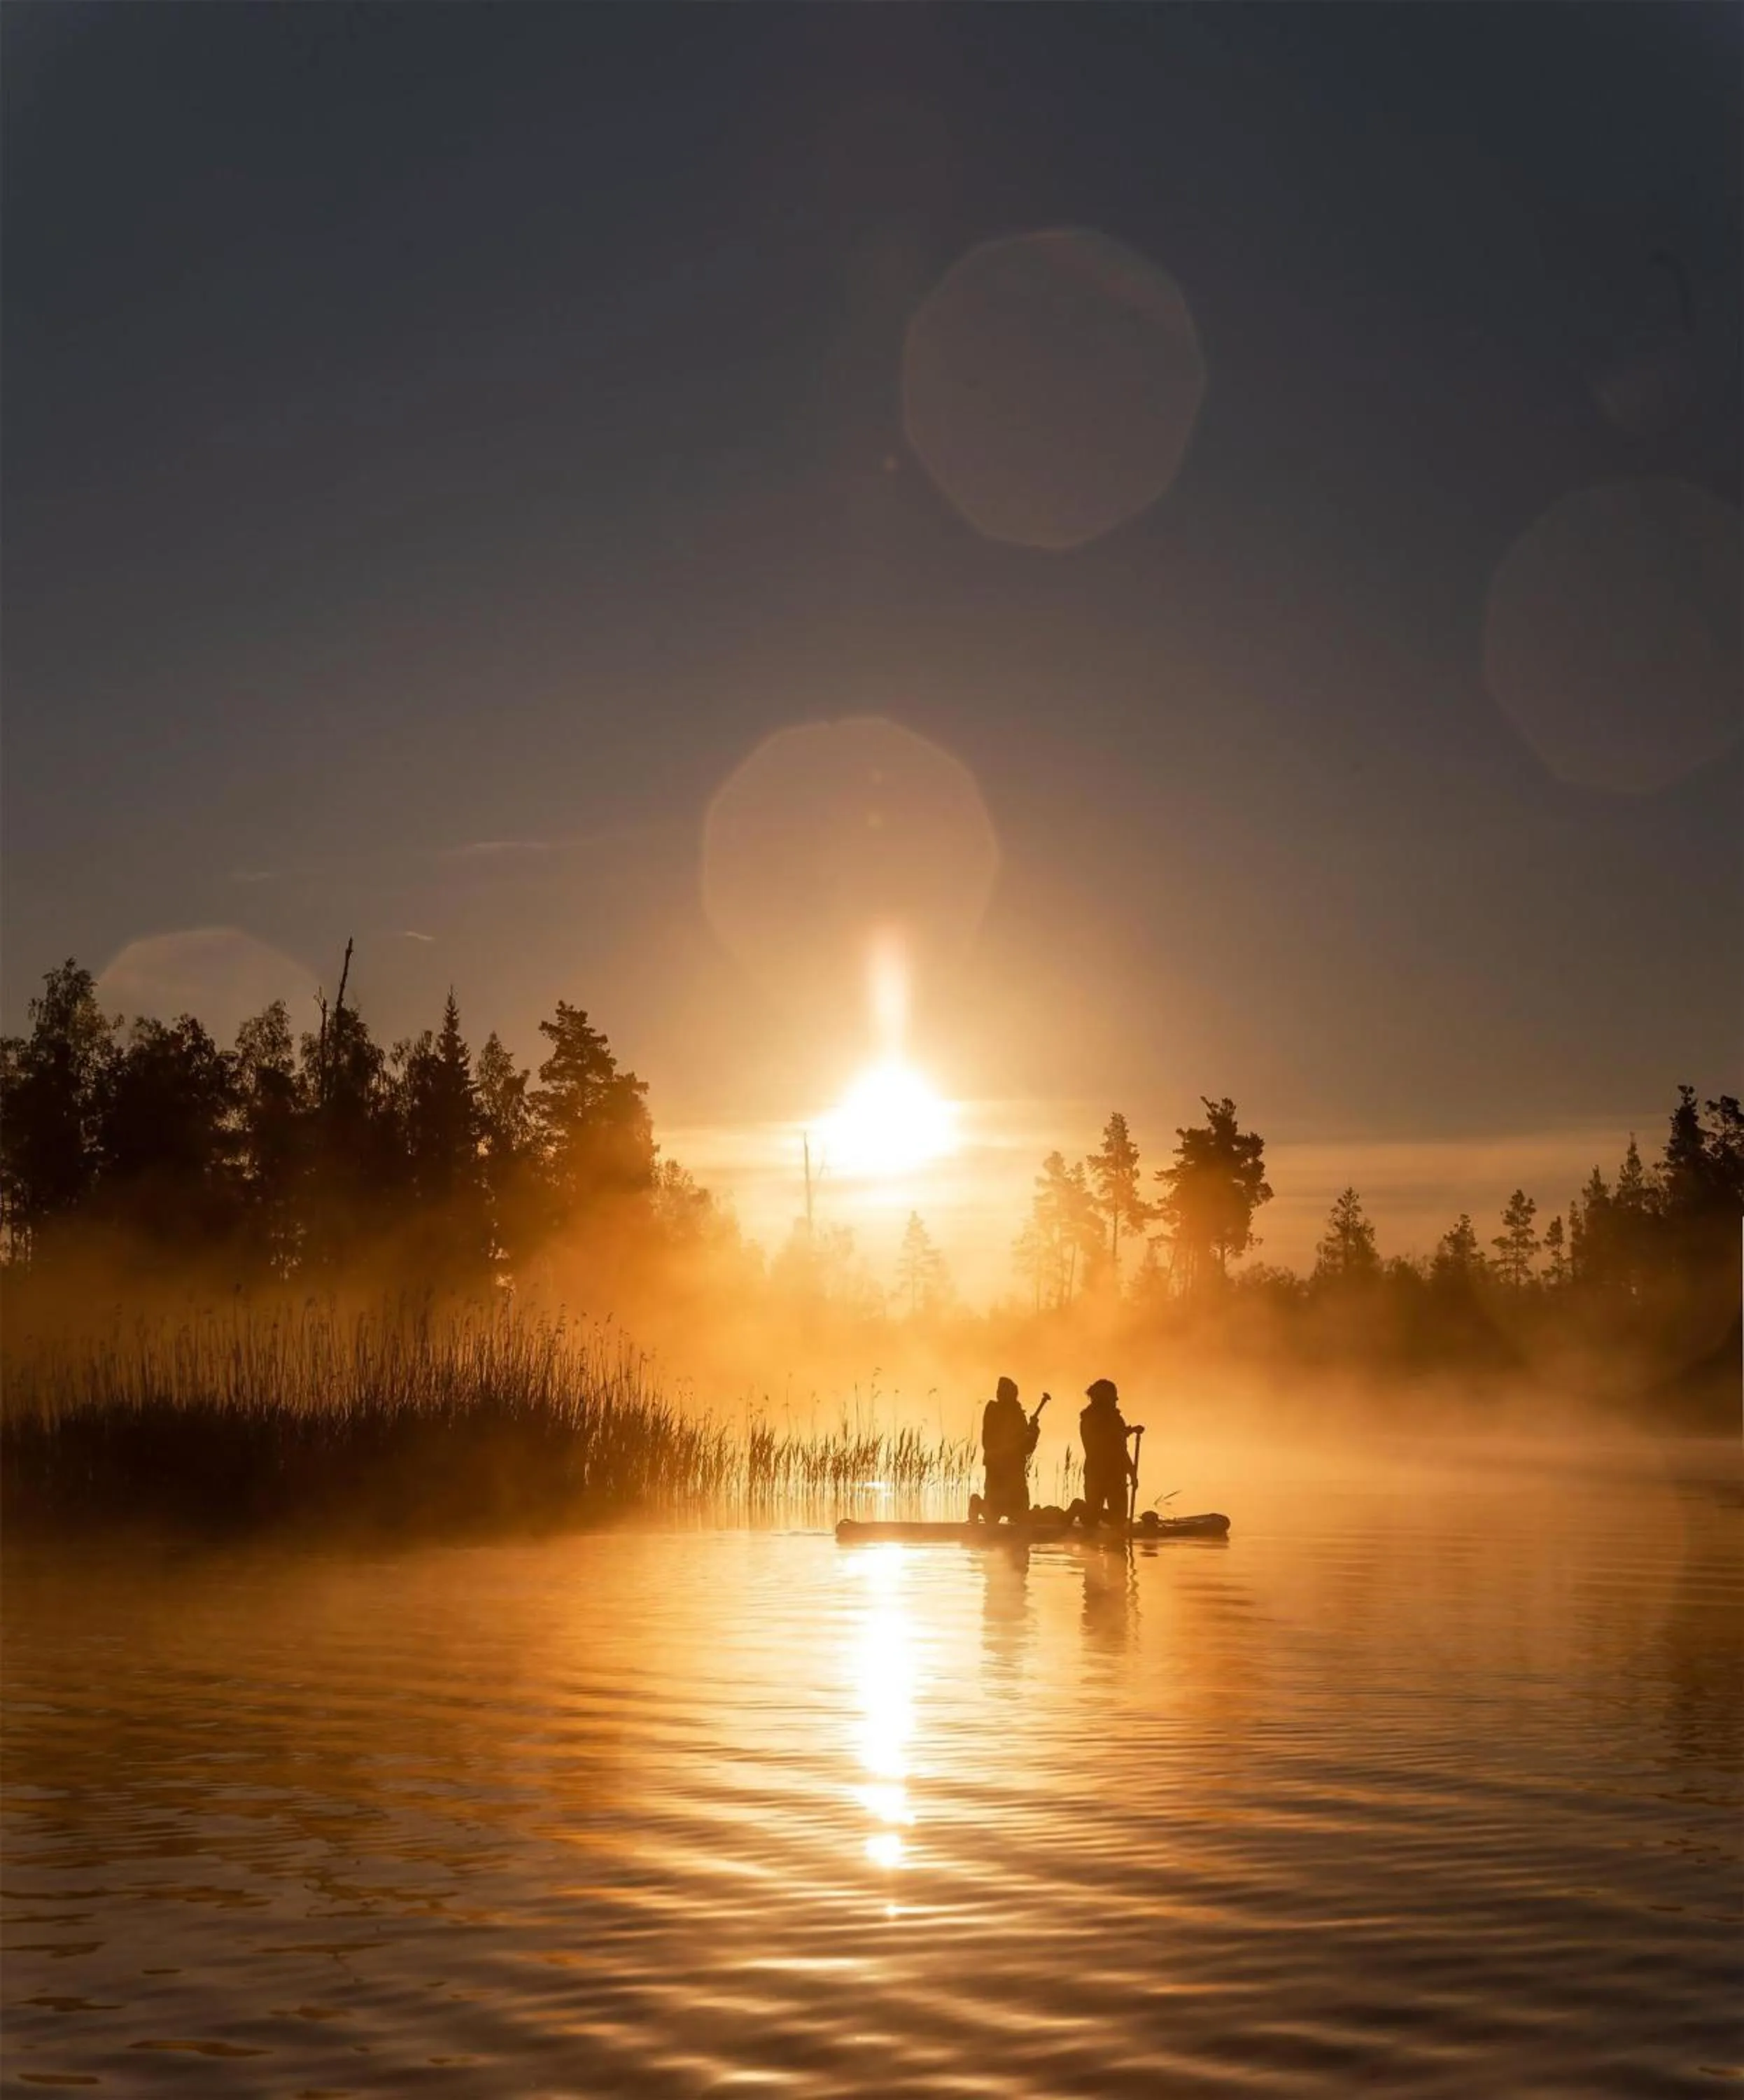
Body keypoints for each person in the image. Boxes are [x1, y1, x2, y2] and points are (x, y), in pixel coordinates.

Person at [969, 1376, 1042, 1525]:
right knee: (992, 1516)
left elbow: (1026, 1448)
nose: (1006, 1395)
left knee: (1020, 1516)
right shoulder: (993, 1411)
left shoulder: (1018, 1414)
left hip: (1015, 1471)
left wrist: (1033, 1430)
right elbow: (991, 1442)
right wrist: (1017, 1443)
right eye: (1003, 1392)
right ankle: (976, 1503)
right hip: (997, 1470)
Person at [1076, 1377, 1141, 1527]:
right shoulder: (1103, 1419)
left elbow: (1112, 1438)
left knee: (1095, 1519)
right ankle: (1081, 1508)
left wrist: (1129, 1431)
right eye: (1114, 1396)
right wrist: (1132, 1473)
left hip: (1098, 1471)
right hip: (1109, 1473)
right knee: (1115, 1520)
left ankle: (1086, 1511)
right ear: (1105, 1397)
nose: (1116, 1400)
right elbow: (1115, 1446)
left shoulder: (1093, 1418)